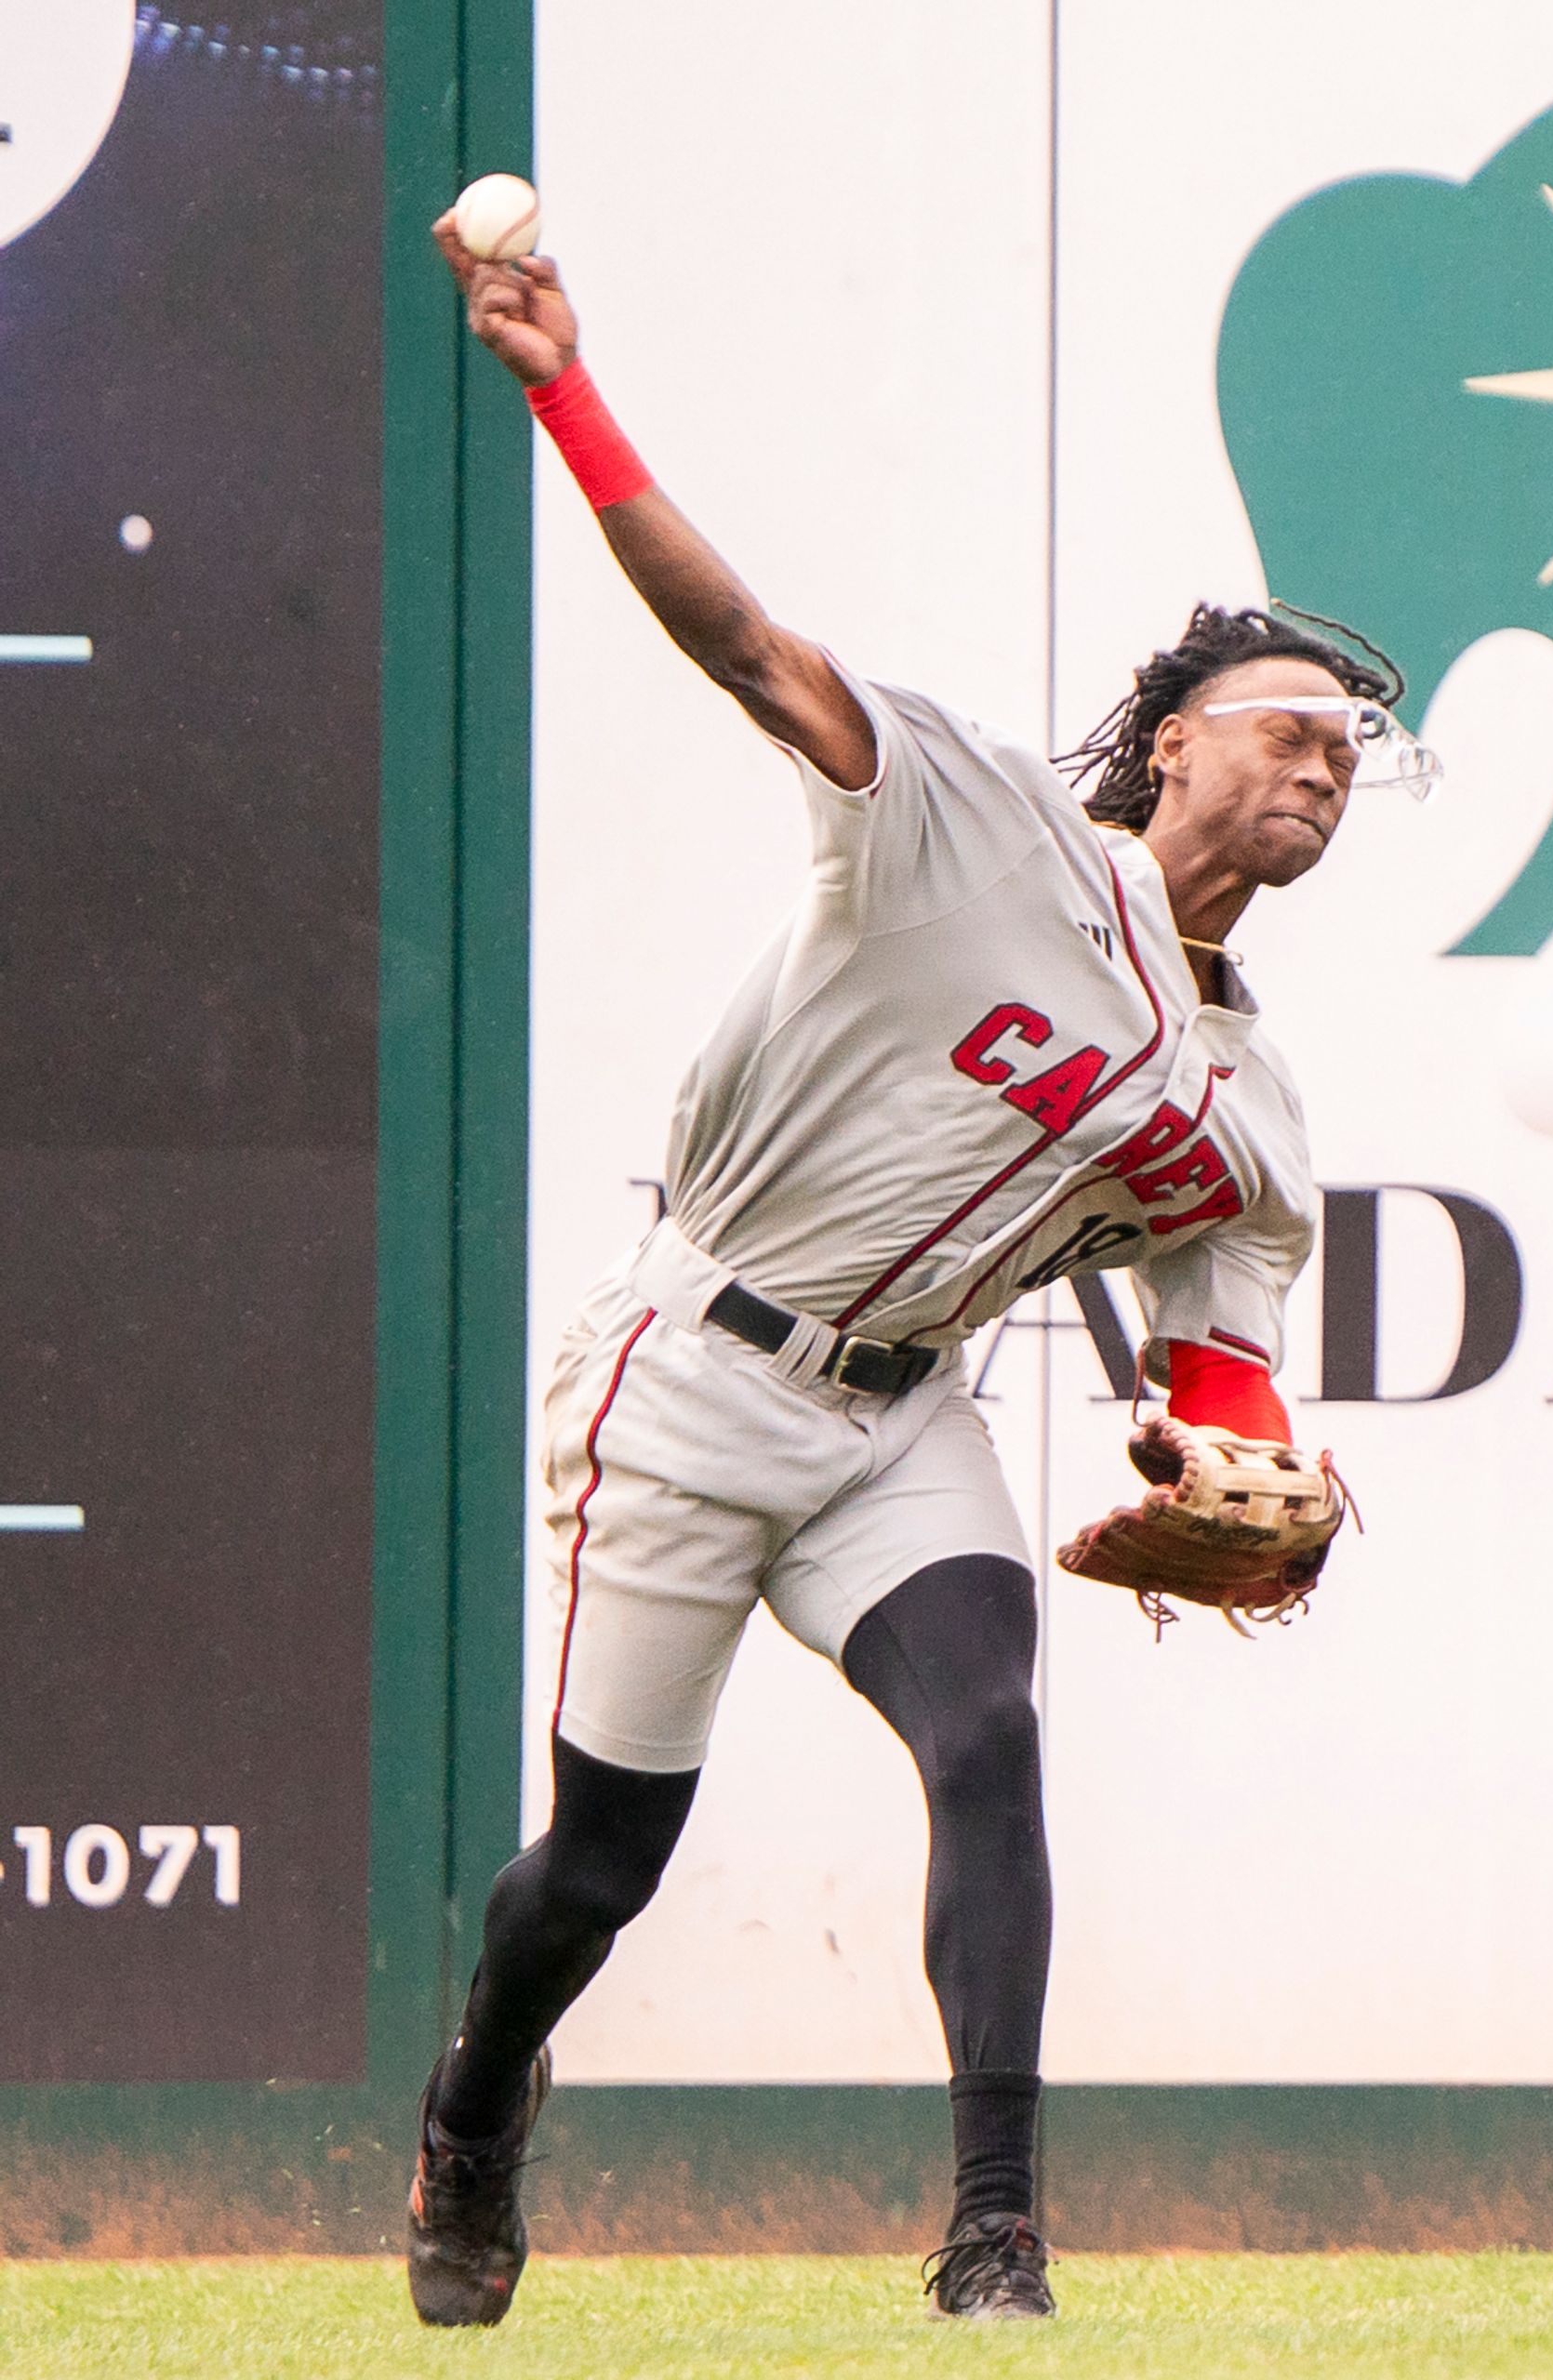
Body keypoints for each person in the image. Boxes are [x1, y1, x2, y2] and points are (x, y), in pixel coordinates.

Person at [408, 212, 1409, 2325]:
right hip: (691, 1369)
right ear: (1173, 744)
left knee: (991, 1733)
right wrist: (562, 387)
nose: (1323, 765)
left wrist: (1248, 1461)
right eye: (1291, 724)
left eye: (1349, 754)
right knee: (598, 1868)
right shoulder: (969, 821)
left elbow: (1221, 1363)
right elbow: (747, 643)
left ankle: (996, 2227)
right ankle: (478, 2107)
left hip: (894, 1421)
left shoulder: (1249, 1109)